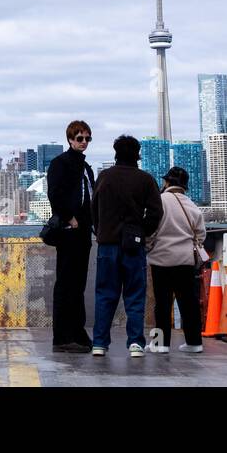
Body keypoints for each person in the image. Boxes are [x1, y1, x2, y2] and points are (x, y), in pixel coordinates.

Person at [91, 135, 163, 357]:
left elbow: (94, 210)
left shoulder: (104, 177)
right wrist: (142, 230)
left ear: (115, 153)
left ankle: (100, 344)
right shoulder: (145, 179)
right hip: (133, 245)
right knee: (134, 295)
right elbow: (156, 213)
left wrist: (101, 230)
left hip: (108, 244)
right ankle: (135, 343)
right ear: (137, 154)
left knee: (105, 294)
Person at [46, 120, 96, 354]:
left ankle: (78, 333)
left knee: (78, 284)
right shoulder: (60, 163)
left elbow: (91, 198)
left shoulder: (86, 168)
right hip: (68, 232)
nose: (83, 142)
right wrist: (69, 218)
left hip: (84, 232)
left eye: (87, 138)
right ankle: (62, 337)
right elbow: (54, 194)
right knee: (66, 283)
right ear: (70, 139)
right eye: (79, 138)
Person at [146, 166, 208, 353]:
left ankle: (160, 344)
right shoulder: (191, 205)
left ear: (166, 182)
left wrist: (149, 246)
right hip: (185, 261)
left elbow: (151, 229)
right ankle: (194, 342)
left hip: (162, 259)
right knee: (188, 302)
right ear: (184, 187)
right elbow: (201, 235)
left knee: (162, 303)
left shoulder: (159, 201)